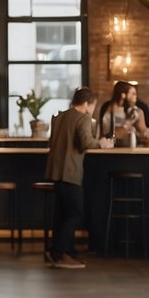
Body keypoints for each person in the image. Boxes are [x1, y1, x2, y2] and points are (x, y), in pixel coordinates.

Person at [44, 87, 105, 269]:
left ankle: (59, 250)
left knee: (61, 214)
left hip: (56, 171)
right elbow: (85, 142)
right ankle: (60, 254)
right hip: (71, 172)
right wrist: (101, 143)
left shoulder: (60, 116)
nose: (93, 109)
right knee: (75, 213)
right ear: (87, 103)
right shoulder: (84, 117)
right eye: (93, 105)